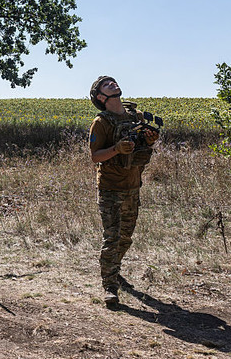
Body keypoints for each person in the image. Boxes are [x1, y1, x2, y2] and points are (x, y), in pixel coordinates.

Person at [88, 76, 158, 308]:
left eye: (114, 82)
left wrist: (150, 140)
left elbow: (143, 147)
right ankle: (110, 286)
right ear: (100, 97)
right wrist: (117, 149)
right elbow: (95, 156)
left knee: (125, 238)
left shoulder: (134, 117)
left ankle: (113, 268)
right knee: (112, 237)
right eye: (107, 85)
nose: (114, 84)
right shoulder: (101, 122)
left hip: (132, 186)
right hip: (110, 188)